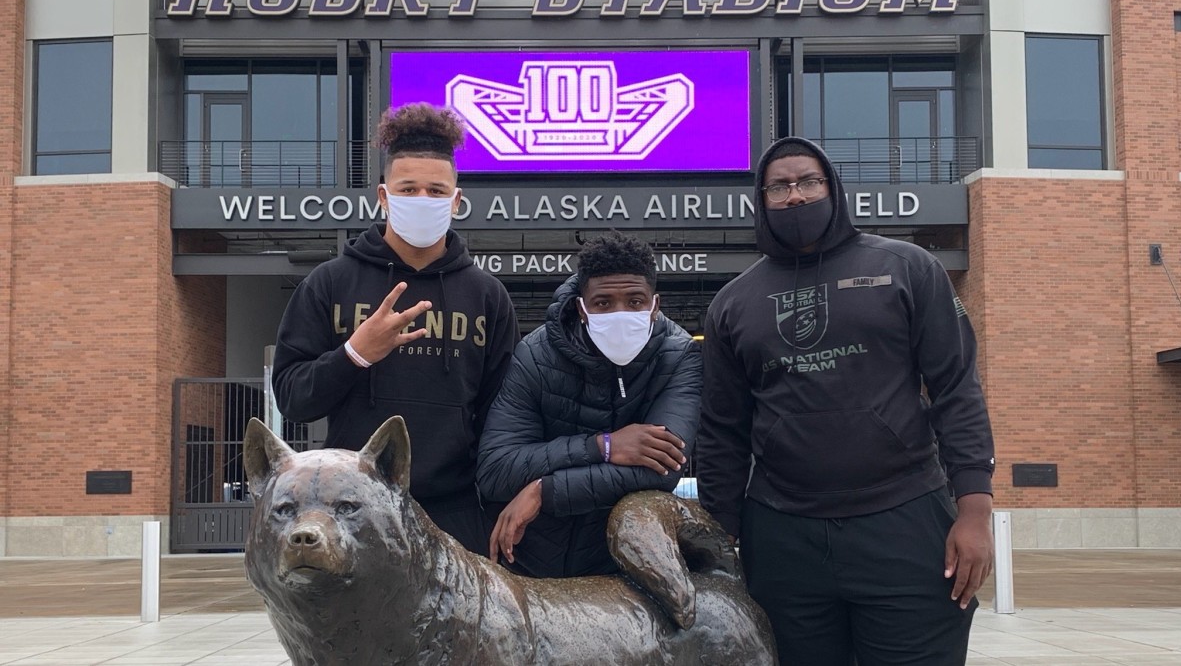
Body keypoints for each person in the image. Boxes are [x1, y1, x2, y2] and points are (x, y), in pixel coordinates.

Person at [696, 137, 996, 665]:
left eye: (808, 182)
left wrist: (974, 510)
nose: (795, 197)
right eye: (779, 187)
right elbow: (723, 430)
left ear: (833, 187)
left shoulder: (908, 267)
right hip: (783, 534)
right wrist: (723, 539)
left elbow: (956, 389)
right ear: (761, 199)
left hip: (903, 519)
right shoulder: (732, 303)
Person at [272, 103, 520, 557]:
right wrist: (354, 354)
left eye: (435, 190)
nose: (423, 199)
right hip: (351, 511)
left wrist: (500, 503)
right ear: (384, 197)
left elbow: (502, 418)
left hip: (457, 513)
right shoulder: (330, 282)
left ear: (456, 201)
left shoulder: (487, 295)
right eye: (409, 189)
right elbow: (292, 398)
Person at [476, 231, 702, 577]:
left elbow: (662, 468)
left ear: (655, 305)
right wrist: (604, 446)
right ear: (582, 309)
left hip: (620, 569)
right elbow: (496, 470)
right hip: (526, 563)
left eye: (636, 301)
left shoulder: (679, 355)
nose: (621, 313)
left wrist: (544, 490)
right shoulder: (535, 356)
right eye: (604, 303)